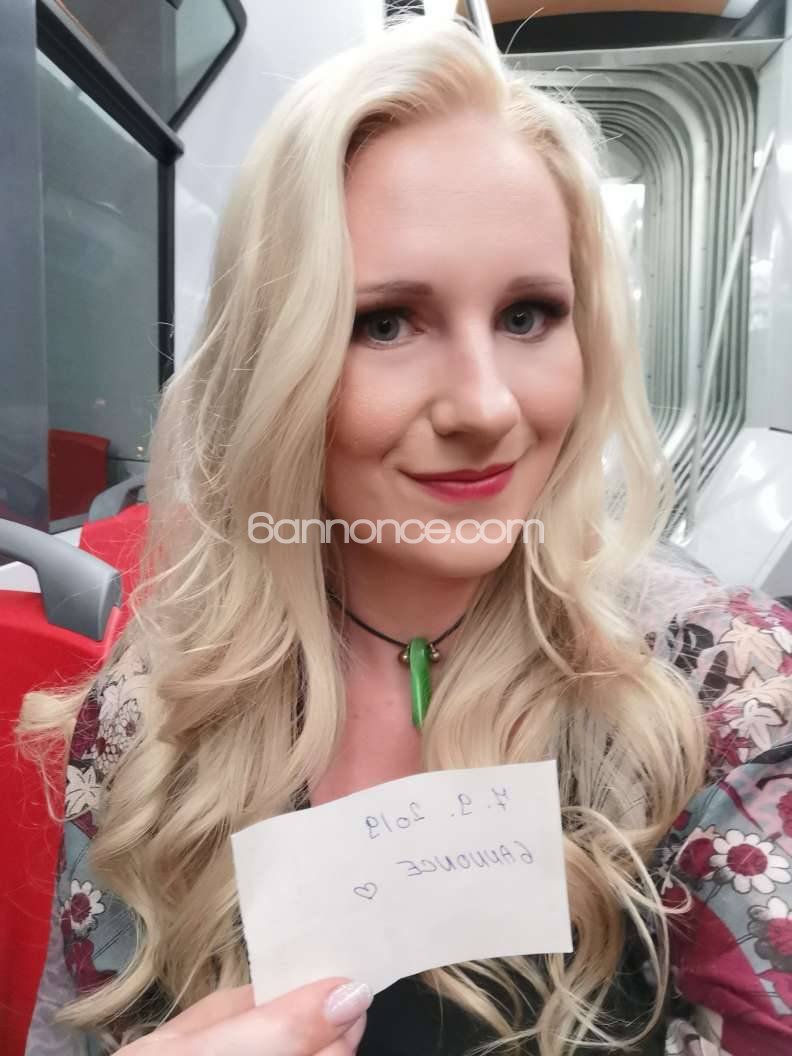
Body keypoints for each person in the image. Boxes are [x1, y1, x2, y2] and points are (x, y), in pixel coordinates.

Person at [17, 14, 792, 1056]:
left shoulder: (718, 693)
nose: (485, 405)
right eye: (385, 322)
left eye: (527, 315)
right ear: (274, 362)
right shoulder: (155, 710)